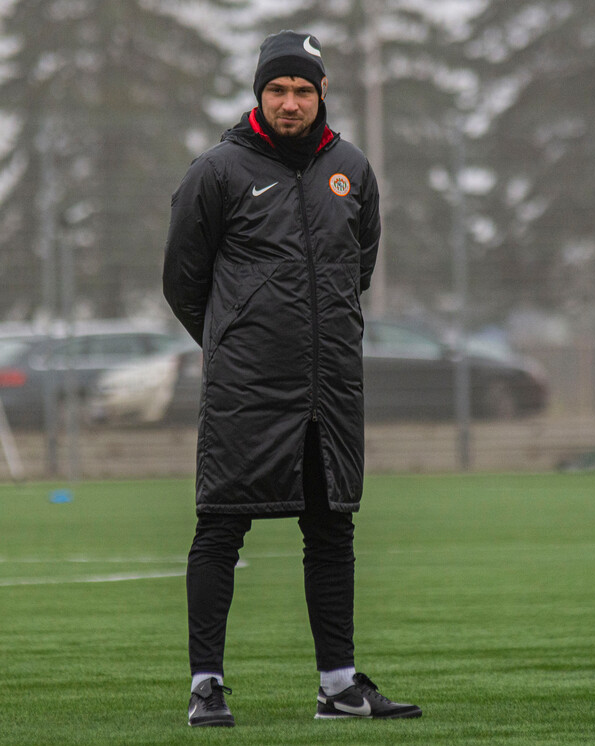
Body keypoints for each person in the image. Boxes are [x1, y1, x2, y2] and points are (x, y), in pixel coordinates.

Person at [163, 30, 421, 726]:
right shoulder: (216, 171)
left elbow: (356, 271)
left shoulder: (352, 169)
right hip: (247, 389)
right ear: (259, 94)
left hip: (330, 387)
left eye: (303, 89)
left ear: (322, 94)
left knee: (332, 529)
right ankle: (206, 686)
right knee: (220, 529)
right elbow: (184, 283)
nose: (290, 101)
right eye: (277, 89)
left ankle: (338, 688)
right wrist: (235, 345)